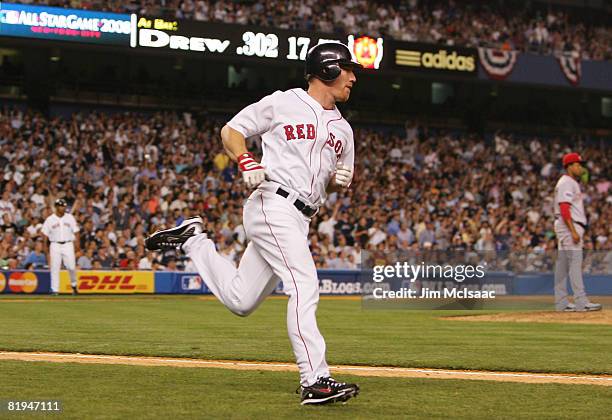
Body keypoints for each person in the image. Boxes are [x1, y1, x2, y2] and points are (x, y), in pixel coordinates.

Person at [146, 42, 361, 405]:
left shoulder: (345, 130)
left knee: (240, 300)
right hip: (271, 204)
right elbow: (231, 131)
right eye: (347, 69)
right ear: (326, 68)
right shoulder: (283, 101)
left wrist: (338, 182)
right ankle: (315, 378)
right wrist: (246, 161)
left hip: (301, 216)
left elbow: (338, 178)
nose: (353, 77)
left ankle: (193, 239)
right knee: (304, 283)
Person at [553, 152, 602, 312]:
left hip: (567, 226)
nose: (580, 167)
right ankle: (581, 301)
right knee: (574, 263)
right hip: (569, 226)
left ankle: (561, 302)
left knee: (563, 265)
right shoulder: (567, 182)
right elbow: (564, 208)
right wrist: (573, 230)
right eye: (578, 164)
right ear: (570, 166)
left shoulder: (569, 182)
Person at [41, 198, 80, 295]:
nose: (63, 208)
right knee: (55, 267)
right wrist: (45, 247)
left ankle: (74, 285)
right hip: (55, 244)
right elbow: (45, 234)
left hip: (68, 244)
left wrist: (77, 243)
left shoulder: (70, 217)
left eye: (64, 206)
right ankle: (55, 289)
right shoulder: (50, 219)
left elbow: (76, 231)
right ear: (56, 207)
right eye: (61, 206)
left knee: (71, 266)